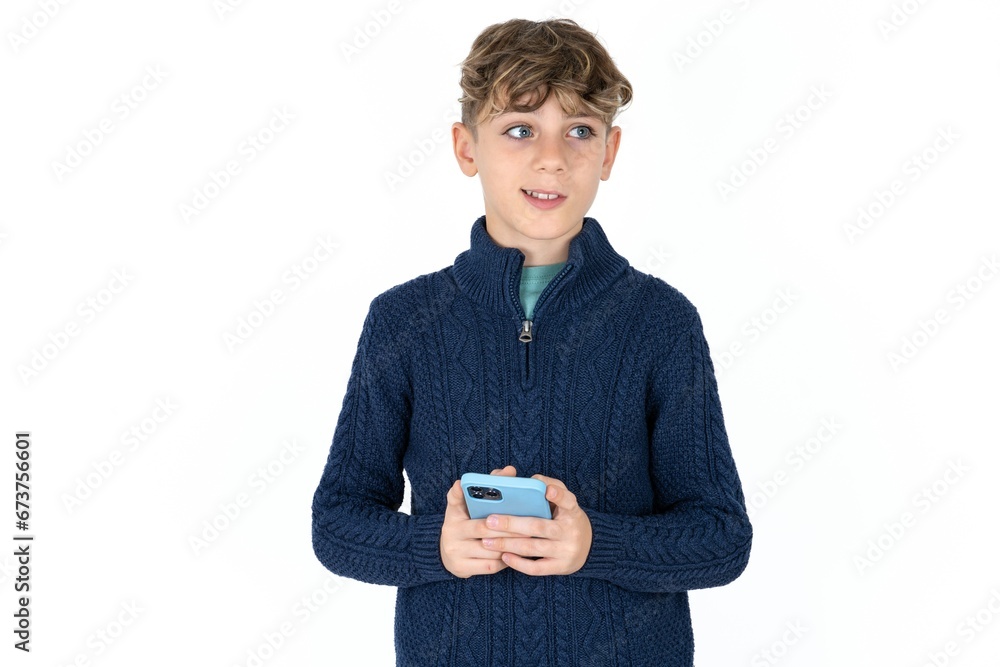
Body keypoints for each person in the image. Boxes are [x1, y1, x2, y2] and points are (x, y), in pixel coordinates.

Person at [311, 17, 752, 667]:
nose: (552, 157)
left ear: (610, 152)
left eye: (580, 130)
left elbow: (721, 538)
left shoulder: (661, 322)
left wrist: (594, 543)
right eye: (520, 129)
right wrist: (435, 546)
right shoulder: (403, 321)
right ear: (466, 148)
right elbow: (336, 522)